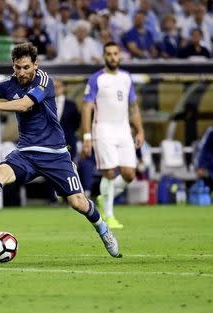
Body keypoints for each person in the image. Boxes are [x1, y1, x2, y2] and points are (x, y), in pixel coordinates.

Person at [0, 42, 121, 259]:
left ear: (35, 65)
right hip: (26, 153)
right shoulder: (8, 84)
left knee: (77, 202)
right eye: (18, 68)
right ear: (13, 65)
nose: (22, 72)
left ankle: (103, 230)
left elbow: (24, 105)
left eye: (26, 67)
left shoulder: (44, 81)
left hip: (55, 154)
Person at [81, 41, 145, 229]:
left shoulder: (126, 78)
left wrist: (140, 129)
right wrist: (86, 137)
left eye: (116, 53)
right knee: (109, 172)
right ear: (104, 56)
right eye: (109, 54)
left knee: (129, 174)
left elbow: (133, 107)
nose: (113, 57)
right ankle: (108, 216)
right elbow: (86, 108)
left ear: (120, 55)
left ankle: (104, 197)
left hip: (124, 130)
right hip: (103, 130)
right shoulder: (96, 79)